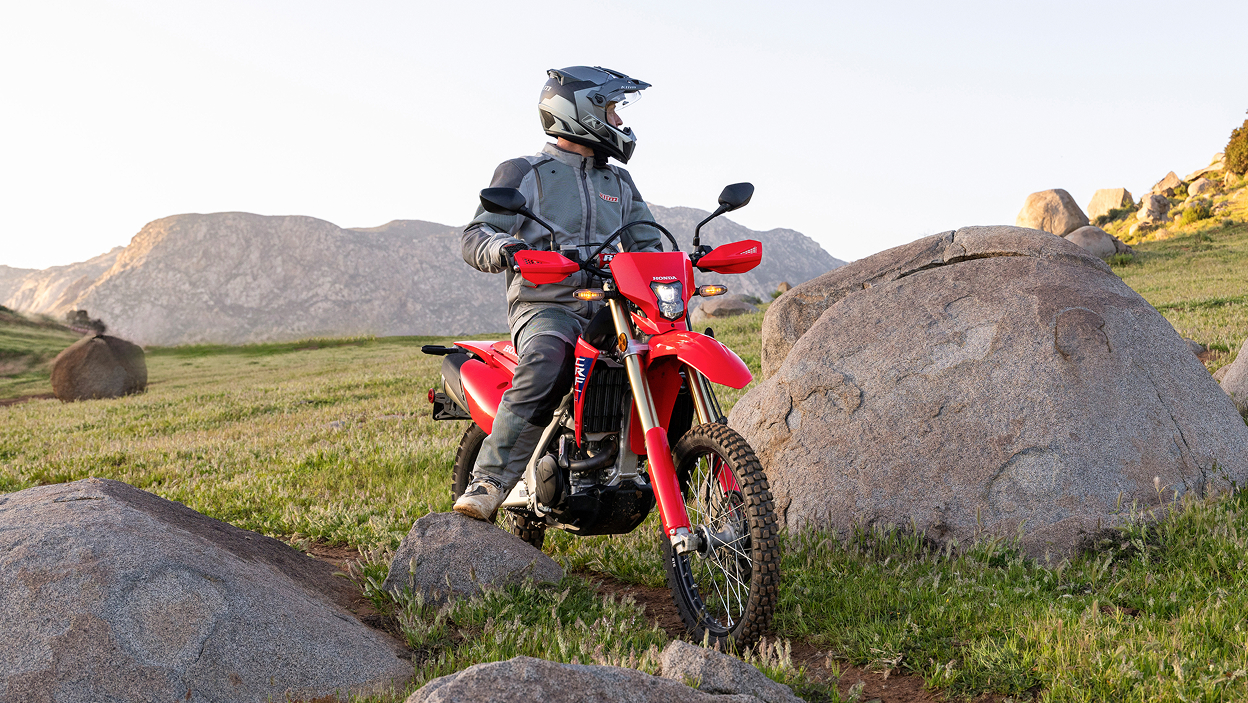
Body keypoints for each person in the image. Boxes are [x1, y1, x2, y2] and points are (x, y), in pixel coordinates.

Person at [453, 65, 662, 520]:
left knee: (669, 365)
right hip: (547, 307)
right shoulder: (525, 172)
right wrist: (507, 248)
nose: (620, 123)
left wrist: (673, 264)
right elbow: (475, 234)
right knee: (548, 359)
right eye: (611, 109)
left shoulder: (618, 182)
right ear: (580, 112)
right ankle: (488, 482)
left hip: (615, 308)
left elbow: (647, 243)